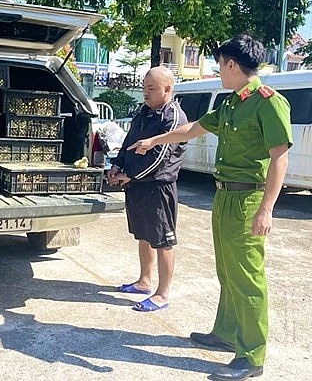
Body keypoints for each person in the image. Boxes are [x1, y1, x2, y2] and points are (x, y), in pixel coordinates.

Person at [129, 35, 292, 380]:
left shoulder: (268, 102)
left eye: (220, 64)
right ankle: (227, 332)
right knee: (227, 272)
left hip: (248, 199)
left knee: (248, 278)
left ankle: (252, 354)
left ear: (232, 64)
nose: (218, 71)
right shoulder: (232, 104)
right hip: (223, 197)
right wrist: (154, 140)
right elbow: (194, 129)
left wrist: (267, 209)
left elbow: (280, 158)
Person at [107, 66, 188, 312]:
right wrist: (117, 166)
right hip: (137, 186)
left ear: (168, 89)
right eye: (144, 88)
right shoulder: (143, 113)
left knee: (163, 241)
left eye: (151, 89)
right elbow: (128, 143)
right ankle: (144, 281)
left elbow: (160, 158)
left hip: (158, 189)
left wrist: (128, 175)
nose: (146, 93)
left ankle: (162, 294)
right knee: (143, 236)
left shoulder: (173, 117)